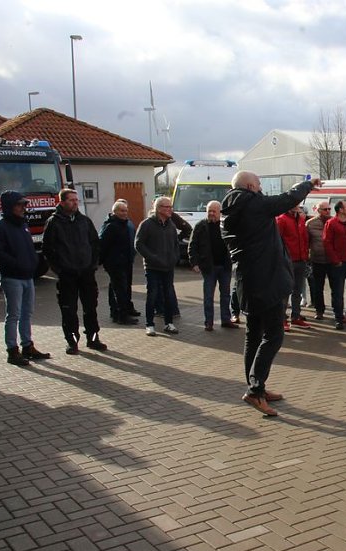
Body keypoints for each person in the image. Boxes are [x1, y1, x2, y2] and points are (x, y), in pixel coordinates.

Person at [221, 171, 320, 417]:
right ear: (251, 186)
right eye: (260, 185)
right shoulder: (252, 203)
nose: (262, 189)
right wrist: (308, 184)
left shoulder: (230, 209)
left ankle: (257, 387)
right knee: (274, 335)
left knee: (253, 335)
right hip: (267, 280)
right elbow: (287, 199)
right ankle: (255, 391)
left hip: (250, 280)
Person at [0, 191, 51, 365]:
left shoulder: (23, 224)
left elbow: (29, 249)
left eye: (24, 205)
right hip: (12, 277)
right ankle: (12, 351)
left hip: (27, 276)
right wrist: (16, 263)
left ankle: (27, 346)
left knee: (27, 313)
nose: (24, 208)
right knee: (14, 314)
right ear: (10, 206)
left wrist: (33, 263)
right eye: (20, 205)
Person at [43, 188, 107, 354]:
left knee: (91, 307)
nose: (75, 203)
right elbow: (48, 249)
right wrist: (59, 270)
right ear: (62, 202)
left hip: (86, 273)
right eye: (71, 200)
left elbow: (95, 243)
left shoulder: (84, 221)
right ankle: (72, 341)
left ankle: (93, 338)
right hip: (67, 275)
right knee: (69, 309)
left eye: (76, 200)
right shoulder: (54, 222)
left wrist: (93, 265)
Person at [188, 201, 238, 331]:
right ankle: (208, 322)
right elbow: (192, 245)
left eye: (214, 211)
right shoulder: (200, 226)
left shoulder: (225, 225)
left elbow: (233, 241)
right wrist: (194, 263)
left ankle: (226, 320)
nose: (211, 213)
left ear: (219, 212)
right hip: (208, 267)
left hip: (225, 266)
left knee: (225, 295)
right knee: (208, 296)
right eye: (209, 211)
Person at [135, 196, 181, 336]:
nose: (170, 210)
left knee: (168, 295)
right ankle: (149, 324)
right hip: (152, 267)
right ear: (159, 208)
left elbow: (175, 244)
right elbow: (139, 244)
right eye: (167, 207)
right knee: (152, 295)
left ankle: (169, 323)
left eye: (170, 207)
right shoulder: (147, 224)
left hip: (168, 267)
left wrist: (175, 258)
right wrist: (152, 258)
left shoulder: (171, 225)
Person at [99, 200, 138, 325]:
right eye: (121, 211)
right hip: (115, 263)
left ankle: (121, 311)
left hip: (126, 261)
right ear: (114, 212)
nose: (124, 213)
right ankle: (121, 316)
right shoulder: (110, 226)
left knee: (124, 288)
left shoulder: (126, 224)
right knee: (120, 290)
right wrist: (103, 262)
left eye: (126, 210)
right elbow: (102, 245)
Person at [323, 200, 346, 330]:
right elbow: (327, 243)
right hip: (338, 264)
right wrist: (336, 260)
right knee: (338, 292)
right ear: (340, 210)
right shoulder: (331, 224)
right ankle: (339, 318)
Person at [276, 204, 311, 329]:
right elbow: (277, 241)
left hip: (301, 260)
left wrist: (306, 254)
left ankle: (296, 316)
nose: (296, 206)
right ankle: (282, 319)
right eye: (293, 203)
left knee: (298, 290)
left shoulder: (300, 219)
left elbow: (305, 238)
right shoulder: (281, 220)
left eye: (298, 204)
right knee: (285, 291)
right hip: (287, 261)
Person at [306, 201, 333, 320]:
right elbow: (306, 241)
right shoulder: (310, 224)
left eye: (329, 209)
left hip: (332, 260)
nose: (327, 211)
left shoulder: (333, 222)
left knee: (336, 288)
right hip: (317, 260)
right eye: (325, 209)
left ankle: (337, 311)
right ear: (318, 210)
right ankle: (319, 310)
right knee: (318, 287)